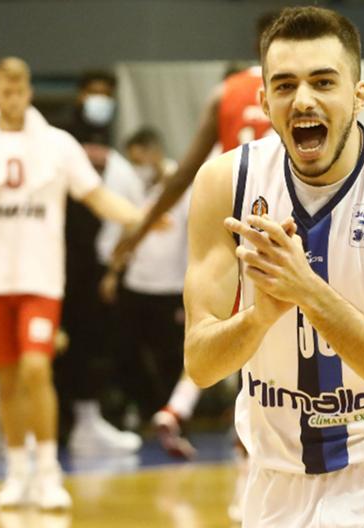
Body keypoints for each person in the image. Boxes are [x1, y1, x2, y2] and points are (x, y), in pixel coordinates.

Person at [184, 7, 364, 526]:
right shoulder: (225, 184)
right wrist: (260, 316)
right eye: (285, 85)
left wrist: (308, 291)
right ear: (265, 101)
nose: (303, 100)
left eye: (323, 82)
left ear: (359, 96)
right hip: (278, 473)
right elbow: (202, 364)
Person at [0, 57, 143, 511]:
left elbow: (95, 196)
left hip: (41, 279)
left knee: (36, 368)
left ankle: (48, 471)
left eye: (20, 90)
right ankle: (16, 471)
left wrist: (140, 218)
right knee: (6, 379)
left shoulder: (58, 145)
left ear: (28, 92)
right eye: (5, 91)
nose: (13, 98)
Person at [102, 12, 279, 461]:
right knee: (280, 332)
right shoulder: (307, 88)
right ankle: (251, 427)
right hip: (291, 226)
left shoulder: (226, 92)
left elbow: (183, 176)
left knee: (225, 328)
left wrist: (137, 233)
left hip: (236, 227)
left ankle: (182, 409)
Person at [56, 69, 141, 456]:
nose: (100, 101)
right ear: (79, 96)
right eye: (94, 93)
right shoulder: (61, 140)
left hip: (91, 263)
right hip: (56, 256)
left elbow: (111, 205)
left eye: (107, 94)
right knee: (49, 347)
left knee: (90, 345)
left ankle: (86, 424)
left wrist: (113, 266)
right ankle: (32, 431)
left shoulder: (109, 148)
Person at [97, 127, 189, 449]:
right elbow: (125, 230)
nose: (139, 167)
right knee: (126, 352)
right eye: (133, 162)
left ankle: (175, 417)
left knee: (172, 357)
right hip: (136, 283)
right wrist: (113, 272)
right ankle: (147, 410)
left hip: (171, 285)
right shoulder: (133, 186)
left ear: (155, 152)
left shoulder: (181, 184)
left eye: (141, 160)